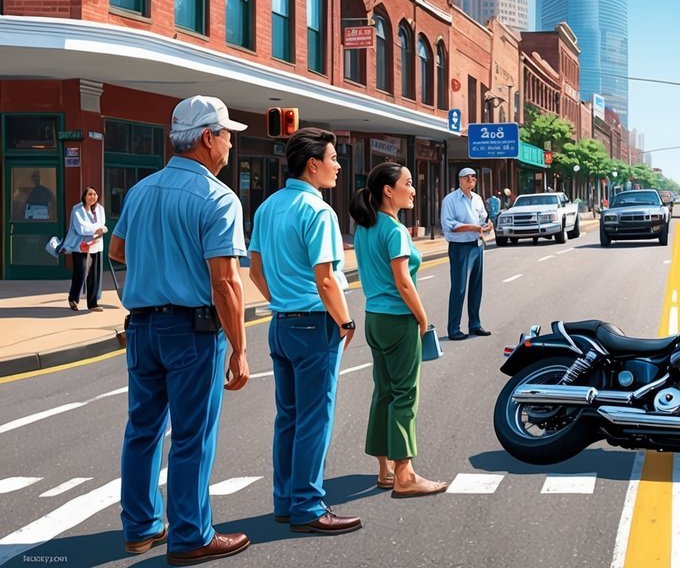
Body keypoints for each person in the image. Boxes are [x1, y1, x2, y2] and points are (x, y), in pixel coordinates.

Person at [108, 95, 250, 564]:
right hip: (190, 330)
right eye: (228, 134)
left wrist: (161, 263)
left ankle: (141, 527)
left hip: (143, 326)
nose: (230, 144)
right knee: (192, 435)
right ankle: (191, 534)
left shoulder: (141, 190)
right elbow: (226, 281)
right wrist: (239, 347)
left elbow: (119, 251)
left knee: (143, 429)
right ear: (208, 138)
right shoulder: (217, 197)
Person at [249, 128, 362, 535]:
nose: (337, 166)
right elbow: (326, 278)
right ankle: (309, 507)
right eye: (333, 159)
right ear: (313, 164)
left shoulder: (267, 207)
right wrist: (346, 321)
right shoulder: (319, 212)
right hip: (315, 324)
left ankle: (286, 501)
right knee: (315, 419)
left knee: (289, 418)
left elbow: (255, 271)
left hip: (280, 324)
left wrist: (281, 298)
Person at [352, 162, 450, 498]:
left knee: (383, 392)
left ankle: (385, 469)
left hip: (374, 318)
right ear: (388, 191)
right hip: (398, 319)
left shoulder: (365, 228)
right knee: (405, 395)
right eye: (407, 183)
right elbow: (403, 282)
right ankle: (405, 474)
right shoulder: (394, 231)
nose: (413, 189)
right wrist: (422, 318)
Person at [441, 167, 493, 341]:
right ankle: (454, 329)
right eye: (467, 177)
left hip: (477, 245)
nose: (471, 179)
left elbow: (483, 219)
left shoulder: (477, 198)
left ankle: (475, 325)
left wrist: (487, 226)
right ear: (459, 180)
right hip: (460, 247)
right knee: (459, 288)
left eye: (473, 177)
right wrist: (474, 227)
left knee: (476, 287)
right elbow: (449, 225)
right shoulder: (450, 200)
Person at [62, 186, 107, 312]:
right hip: (81, 246)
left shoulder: (100, 209)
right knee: (81, 272)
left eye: (95, 194)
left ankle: (93, 303)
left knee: (94, 275)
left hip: (96, 245)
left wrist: (99, 228)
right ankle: (73, 298)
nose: (93, 197)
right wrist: (95, 228)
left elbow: (102, 224)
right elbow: (80, 228)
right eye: (90, 194)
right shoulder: (77, 210)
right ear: (84, 197)